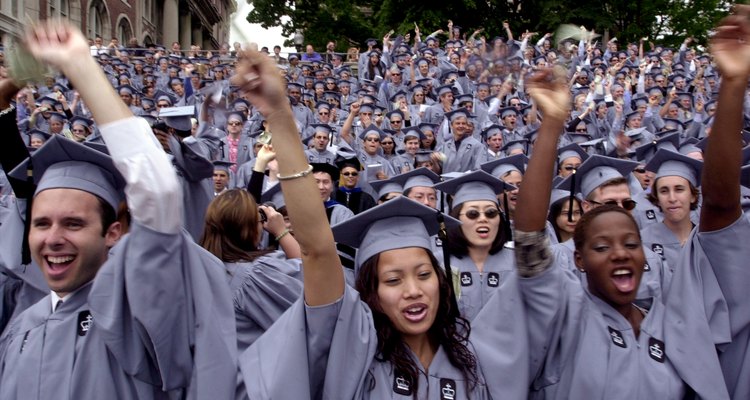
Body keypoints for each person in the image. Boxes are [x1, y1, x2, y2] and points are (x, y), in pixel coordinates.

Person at [232, 42, 529, 400]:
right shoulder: (354, 349)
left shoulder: (469, 361)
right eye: (393, 279)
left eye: (424, 274)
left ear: (441, 281)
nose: (414, 290)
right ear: (370, 292)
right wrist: (279, 116)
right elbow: (317, 251)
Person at [0, 20, 236, 399]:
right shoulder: (22, 328)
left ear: (114, 232)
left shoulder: (132, 313)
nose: (53, 238)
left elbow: (156, 190)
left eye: (74, 223)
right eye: (41, 223)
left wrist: (82, 68)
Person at [512, 66, 728, 399]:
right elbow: (529, 237)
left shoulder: (668, 323)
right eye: (601, 247)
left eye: (631, 243)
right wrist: (553, 124)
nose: (620, 253)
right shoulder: (569, 314)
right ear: (580, 261)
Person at [199, 188, 302, 351]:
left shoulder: (200, 266)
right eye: (259, 219)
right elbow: (310, 281)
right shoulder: (256, 275)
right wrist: (282, 232)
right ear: (247, 227)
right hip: (251, 370)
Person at [434, 170, 517, 321]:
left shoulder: (518, 261)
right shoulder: (439, 264)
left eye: (491, 213)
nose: (483, 219)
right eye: (473, 214)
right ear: (456, 219)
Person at [640, 150, 702, 267]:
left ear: (693, 196)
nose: (672, 198)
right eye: (664, 191)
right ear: (657, 198)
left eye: (679, 189)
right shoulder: (642, 241)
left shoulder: (706, 240)